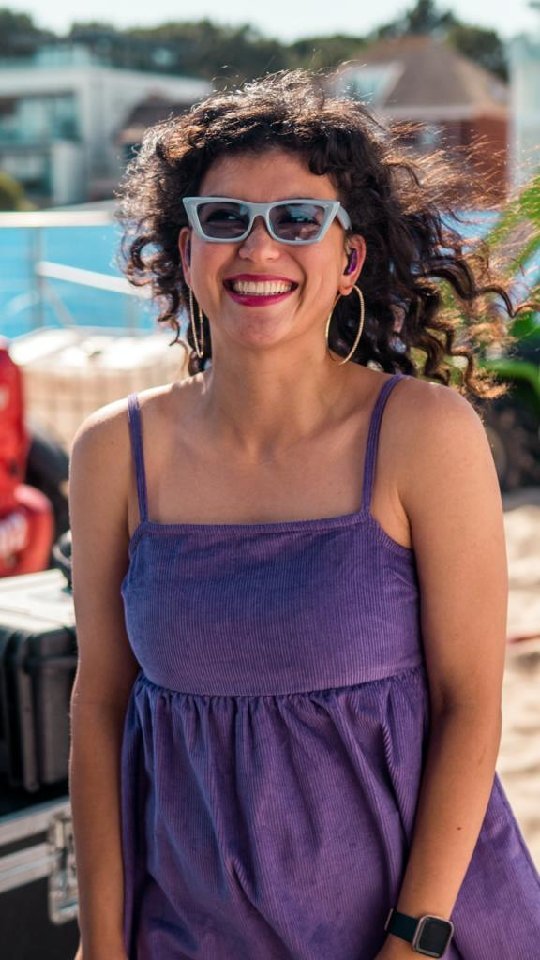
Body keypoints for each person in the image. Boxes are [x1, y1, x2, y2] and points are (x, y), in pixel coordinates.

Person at [68, 70, 540, 960]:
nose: (259, 247)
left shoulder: (424, 434)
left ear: (348, 259)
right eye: (225, 219)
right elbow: (100, 707)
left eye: (297, 219)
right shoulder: (114, 454)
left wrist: (410, 943)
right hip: (189, 932)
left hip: (418, 933)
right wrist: (101, 941)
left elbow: (471, 704)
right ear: (186, 250)